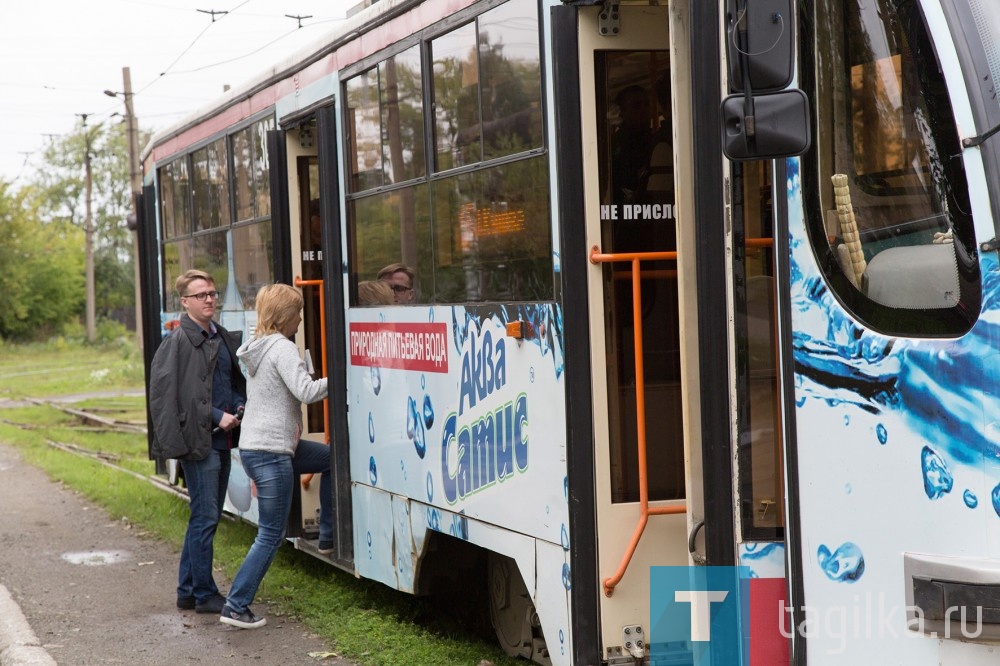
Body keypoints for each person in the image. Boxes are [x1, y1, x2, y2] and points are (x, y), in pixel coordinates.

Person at [221, 283, 332, 629]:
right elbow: (307, 393)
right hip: (272, 451)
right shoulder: (282, 348)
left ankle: (328, 535)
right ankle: (236, 605)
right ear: (286, 316)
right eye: (298, 312)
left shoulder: (257, 346)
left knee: (331, 459)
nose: (301, 318)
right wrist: (340, 373)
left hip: (260, 446)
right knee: (270, 535)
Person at [148, 269, 246, 615]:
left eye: (212, 294)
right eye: (201, 295)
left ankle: (187, 591)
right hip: (197, 441)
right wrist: (217, 415)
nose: (209, 299)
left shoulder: (219, 337)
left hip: (221, 440)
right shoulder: (177, 343)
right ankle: (205, 594)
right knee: (205, 518)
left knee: (205, 517)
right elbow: (173, 397)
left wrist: (237, 405)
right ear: (184, 302)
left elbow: (228, 381)